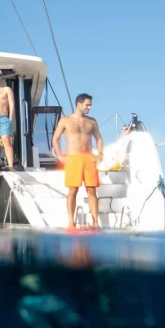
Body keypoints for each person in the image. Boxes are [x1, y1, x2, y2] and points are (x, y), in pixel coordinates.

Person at [52, 93, 104, 229]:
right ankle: (71, 222)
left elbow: (99, 138)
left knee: (92, 190)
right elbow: (55, 139)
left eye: (90, 105)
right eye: (87, 105)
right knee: (72, 190)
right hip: (73, 158)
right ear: (78, 104)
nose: (89, 107)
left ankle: (95, 222)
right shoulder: (65, 120)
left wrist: (100, 154)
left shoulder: (91, 121)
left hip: (88, 157)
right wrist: (60, 156)